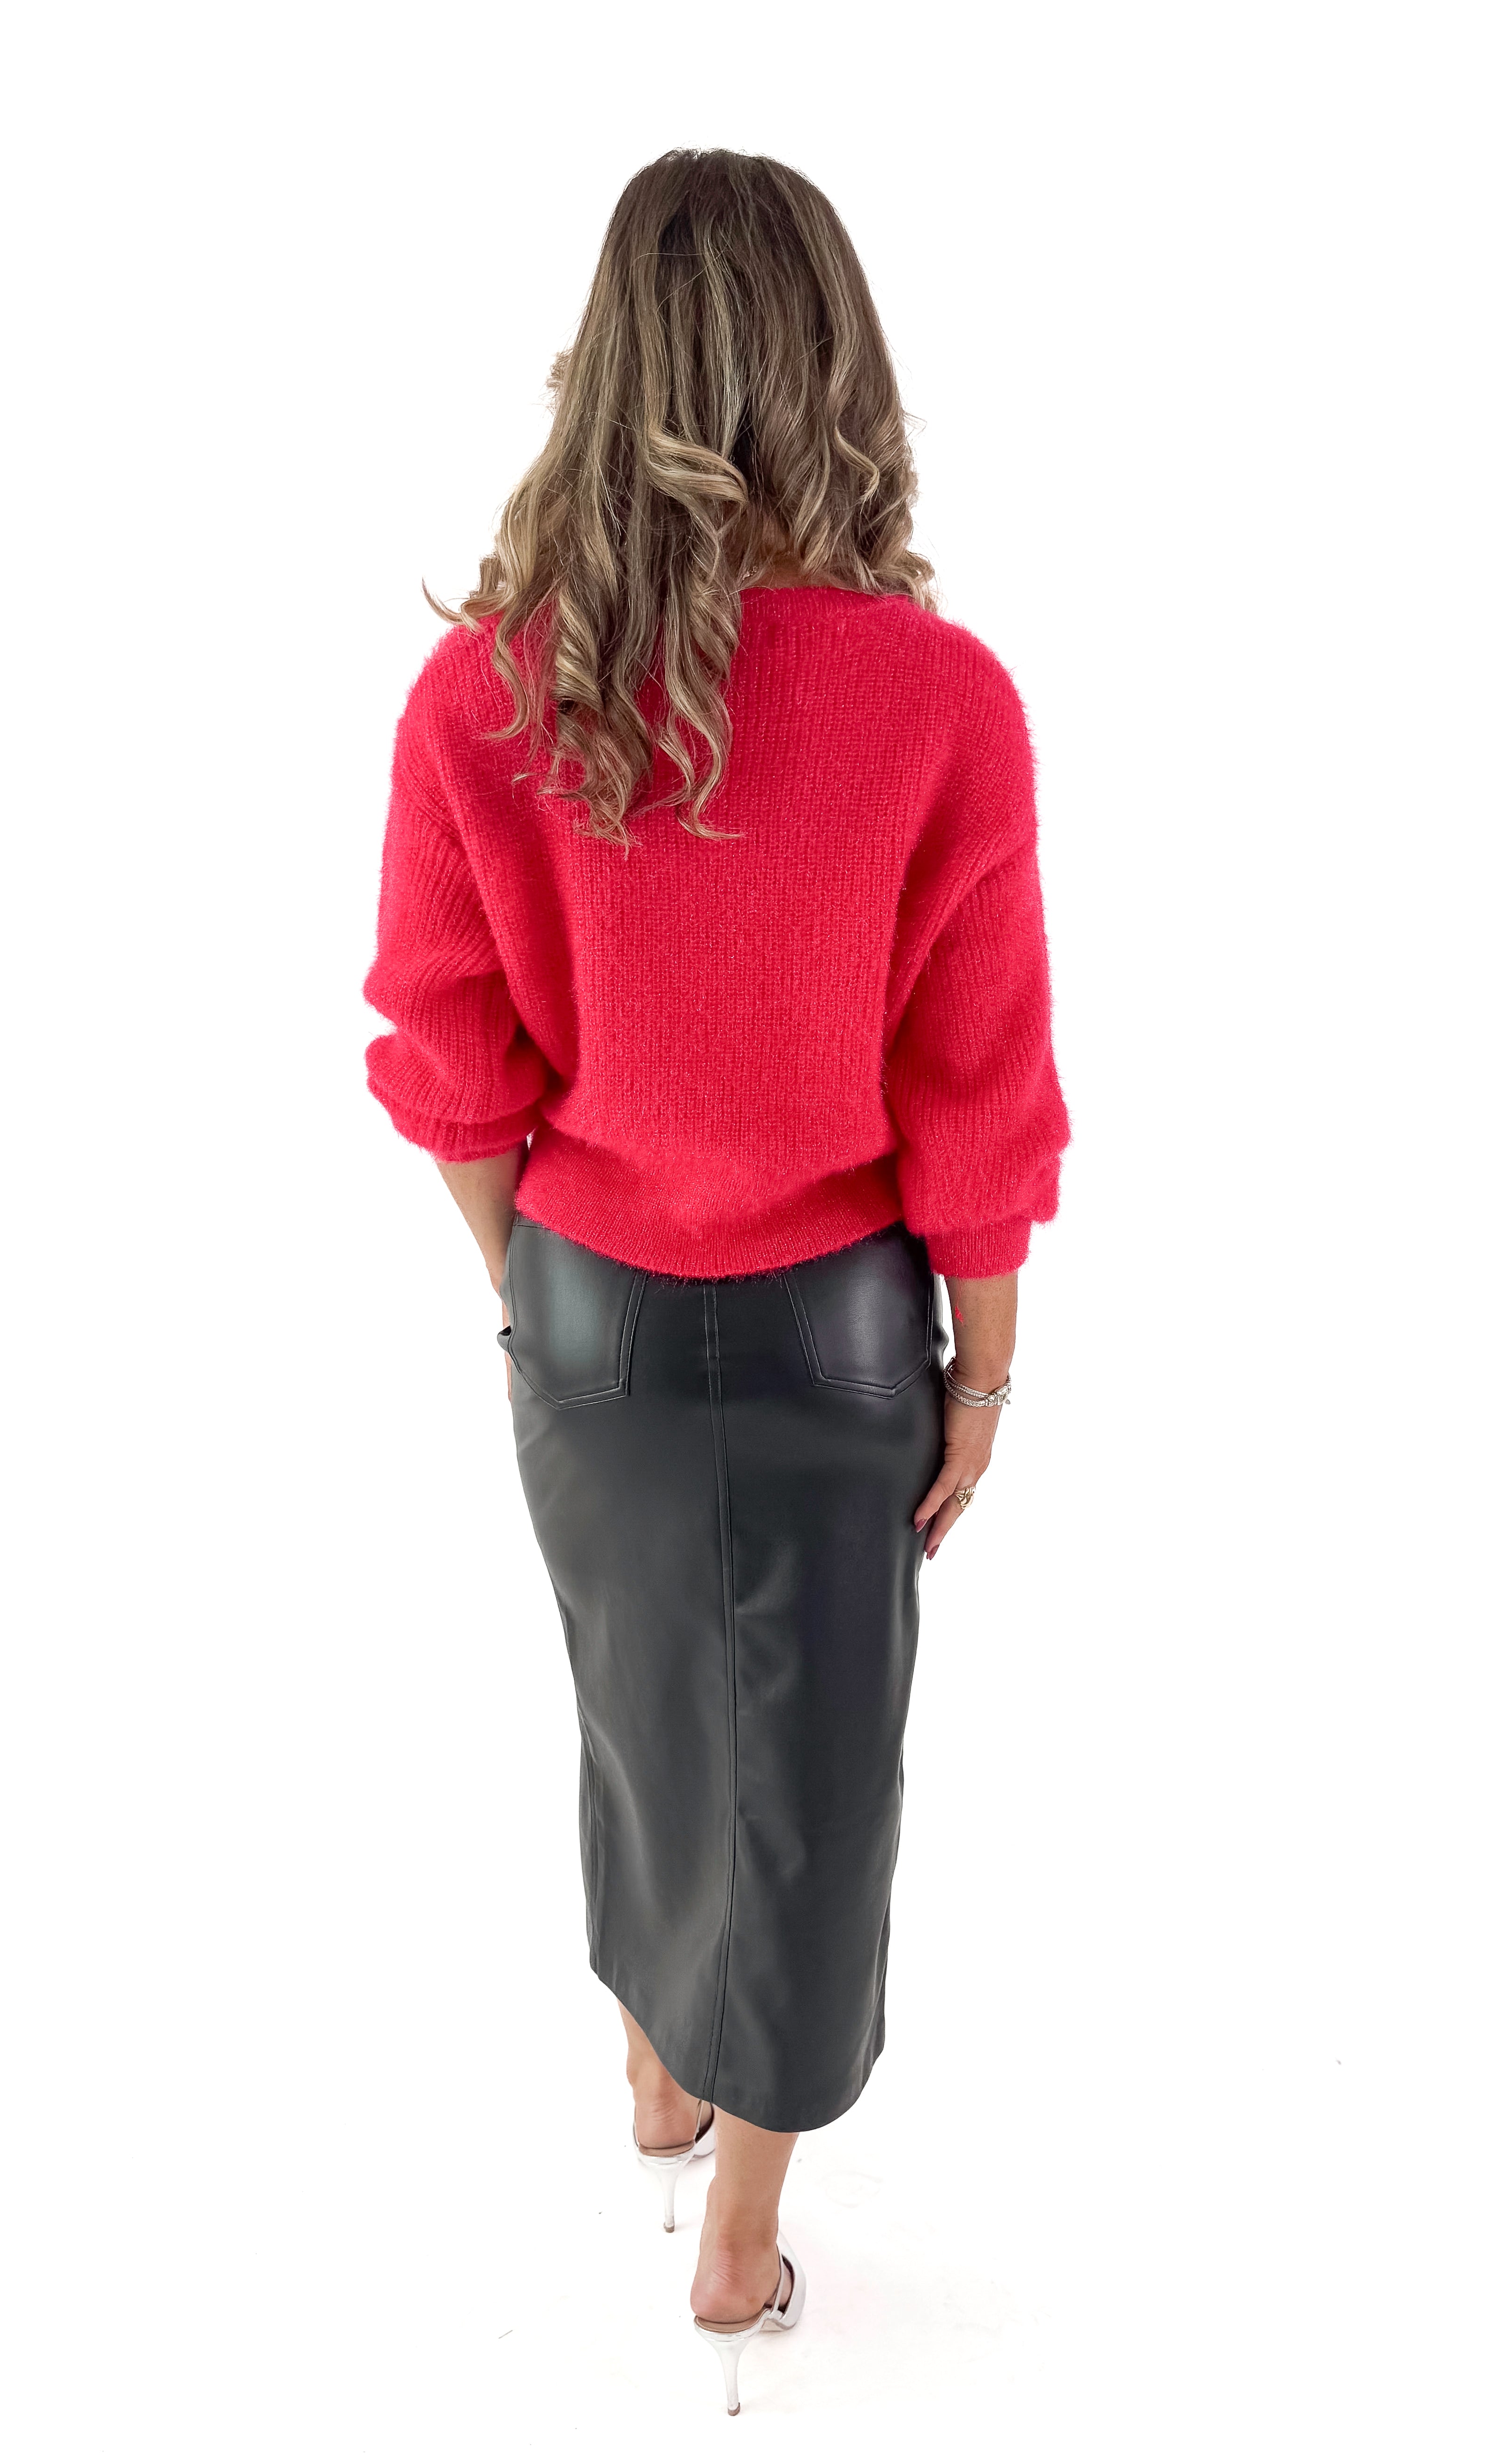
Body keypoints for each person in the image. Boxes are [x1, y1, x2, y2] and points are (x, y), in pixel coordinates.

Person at [363, 147, 1070, 2417]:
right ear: (829, 370)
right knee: (815, 1776)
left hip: (578, 1303)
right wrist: (983, 1364)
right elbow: (980, 1079)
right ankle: (739, 2242)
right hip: (833, 1319)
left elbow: (447, 1060)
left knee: (637, 1685)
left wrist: (533, 1287)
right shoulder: (938, 698)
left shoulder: (482, 692)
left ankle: (658, 2075)